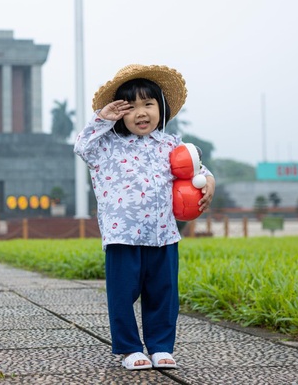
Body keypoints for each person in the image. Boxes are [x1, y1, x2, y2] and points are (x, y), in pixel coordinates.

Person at [74, 64, 215, 371]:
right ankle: (129, 348)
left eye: (148, 104)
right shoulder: (107, 146)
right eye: (132, 106)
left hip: (163, 233)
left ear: (160, 109)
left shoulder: (170, 144)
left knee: (164, 294)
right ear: (120, 113)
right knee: (123, 294)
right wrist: (101, 118)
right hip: (122, 234)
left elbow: (193, 170)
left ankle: (161, 346)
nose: (141, 112)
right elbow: (81, 146)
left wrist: (208, 178)